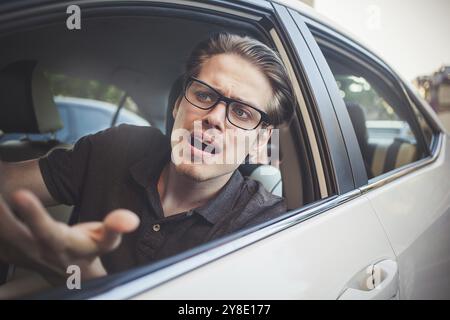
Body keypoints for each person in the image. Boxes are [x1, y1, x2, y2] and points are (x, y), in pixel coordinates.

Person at [0, 33, 295, 285]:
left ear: (260, 138)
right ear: (179, 103)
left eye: (242, 113)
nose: (215, 118)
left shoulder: (264, 228)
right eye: (205, 95)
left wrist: (90, 283)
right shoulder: (118, 146)